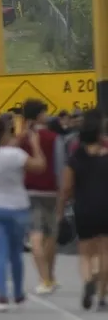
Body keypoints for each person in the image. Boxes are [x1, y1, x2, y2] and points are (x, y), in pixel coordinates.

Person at [0, 115, 47, 312]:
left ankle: (2, 297)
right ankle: (18, 294)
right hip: (17, 207)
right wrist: (35, 145)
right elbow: (39, 166)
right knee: (16, 254)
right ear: (3, 136)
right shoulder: (15, 155)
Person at [56, 110, 108, 310]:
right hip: (106, 208)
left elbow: (66, 190)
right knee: (105, 252)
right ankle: (102, 297)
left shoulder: (75, 160)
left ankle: (88, 280)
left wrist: (60, 213)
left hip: (84, 209)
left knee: (86, 253)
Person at [18, 99, 66, 295]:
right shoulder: (54, 138)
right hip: (51, 192)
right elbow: (60, 168)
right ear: (39, 115)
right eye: (44, 113)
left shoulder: (20, 139)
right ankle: (49, 277)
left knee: (35, 235)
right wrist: (63, 195)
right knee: (50, 236)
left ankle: (45, 278)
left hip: (28, 192)